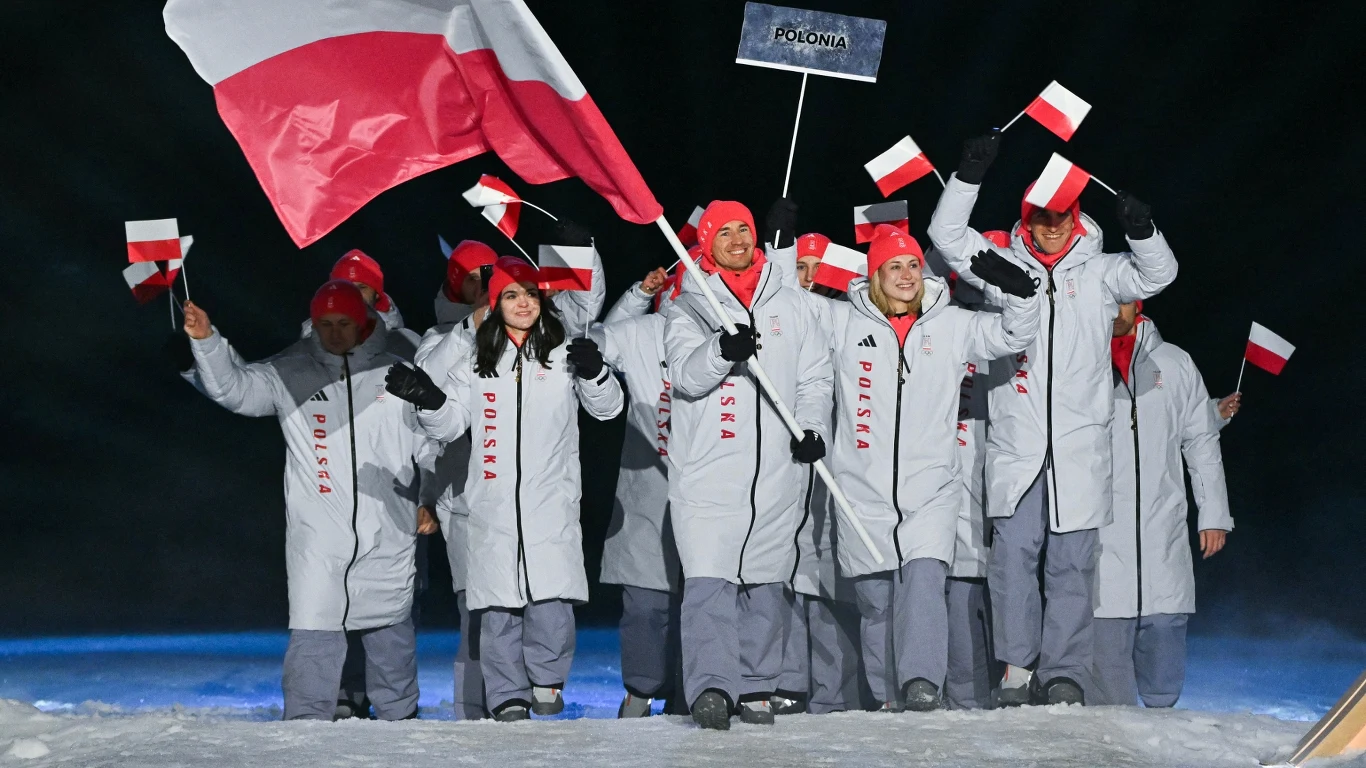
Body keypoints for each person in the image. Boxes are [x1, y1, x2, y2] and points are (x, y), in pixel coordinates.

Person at [928, 131, 1179, 705]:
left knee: (1073, 563)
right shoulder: (1003, 266)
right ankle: (1018, 669)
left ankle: (1063, 671)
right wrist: (968, 176)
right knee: (1013, 559)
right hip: (1018, 444)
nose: (1051, 226)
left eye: (1061, 215)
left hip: (1079, 447)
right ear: (1027, 219)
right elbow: (947, 237)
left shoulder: (1100, 272)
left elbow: (1158, 275)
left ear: (1076, 215)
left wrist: (1143, 232)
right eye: (1041, 217)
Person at [182, 281, 435, 721]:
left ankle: (402, 719)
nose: (334, 333)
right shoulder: (290, 370)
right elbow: (235, 390)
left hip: (388, 526)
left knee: (391, 632)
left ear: (363, 322)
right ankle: (304, 725)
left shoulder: (397, 372)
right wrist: (207, 341)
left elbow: (430, 442)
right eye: (325, 324)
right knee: (315, 630)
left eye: (344, 323)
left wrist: (429, 496)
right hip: (318, 537)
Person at [385, 257, 624, 722]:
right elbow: (450, 423)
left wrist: (597, 374)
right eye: (511, 295)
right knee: (496, 607)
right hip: (491, 503)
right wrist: (430, 400)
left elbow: (608, 409)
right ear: (494, 303)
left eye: (531, 294)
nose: (523, 303)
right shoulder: (477, 358)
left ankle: (547, 680)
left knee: (551, 601)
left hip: (550, 500)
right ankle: (506, 694)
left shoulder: (563, 350)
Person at [822, 225, 1038, 712]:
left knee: (923, 582)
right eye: (894, 266)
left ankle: (921, 683)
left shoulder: (952, 324)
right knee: (877, 600)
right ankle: (887, 696)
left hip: (931, 486)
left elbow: (1012, 334)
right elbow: (790, 310)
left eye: (913, 265)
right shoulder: (841, 322)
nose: (906, 275)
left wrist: (1022, 295)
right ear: (875, 275)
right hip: (862, 487)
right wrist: (782, 248)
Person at [663, 200, 833, 730]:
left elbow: (815, 377)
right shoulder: (689, 304)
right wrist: (721, 349)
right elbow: (686, 375)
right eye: (725, 232)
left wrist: (813, 430)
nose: (738, 240)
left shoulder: (790, 301)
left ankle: (757, 685)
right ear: (706, 243)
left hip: (777, 470)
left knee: (765, 581)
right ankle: (712, 689)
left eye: (745, 229)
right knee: (708, 580)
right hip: (709, 471)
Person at [1092, 301, 1233, 707]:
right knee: (1106, 696)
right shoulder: (1079, 357)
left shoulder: (1175, 363)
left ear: (1137, 303)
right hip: (1100, 532)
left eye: (1121, 301)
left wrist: (1214, 513)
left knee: (1163, 674)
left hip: (1162, 528)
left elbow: (1201, 440)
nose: (1112, 311)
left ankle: (1161, 727)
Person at [589, 266, 683, 718]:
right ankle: (640, 692)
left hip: (713, 490)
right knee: (646, 603)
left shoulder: (731, 333)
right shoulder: (646, 332)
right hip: (649, 489)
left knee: (704, 602)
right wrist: (637, 296)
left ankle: (693, 691)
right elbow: (597, 340)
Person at [414, 238, 499, 720]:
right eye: (471, 277)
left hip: (515, 496)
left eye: (489, 273)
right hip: (462, 497)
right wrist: (427, 494)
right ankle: (473, 710)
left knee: (523, 607)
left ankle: (515, 700)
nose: (482, 284)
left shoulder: (521, 331)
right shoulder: (438, 338)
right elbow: (425, 399)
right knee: (476, 610)